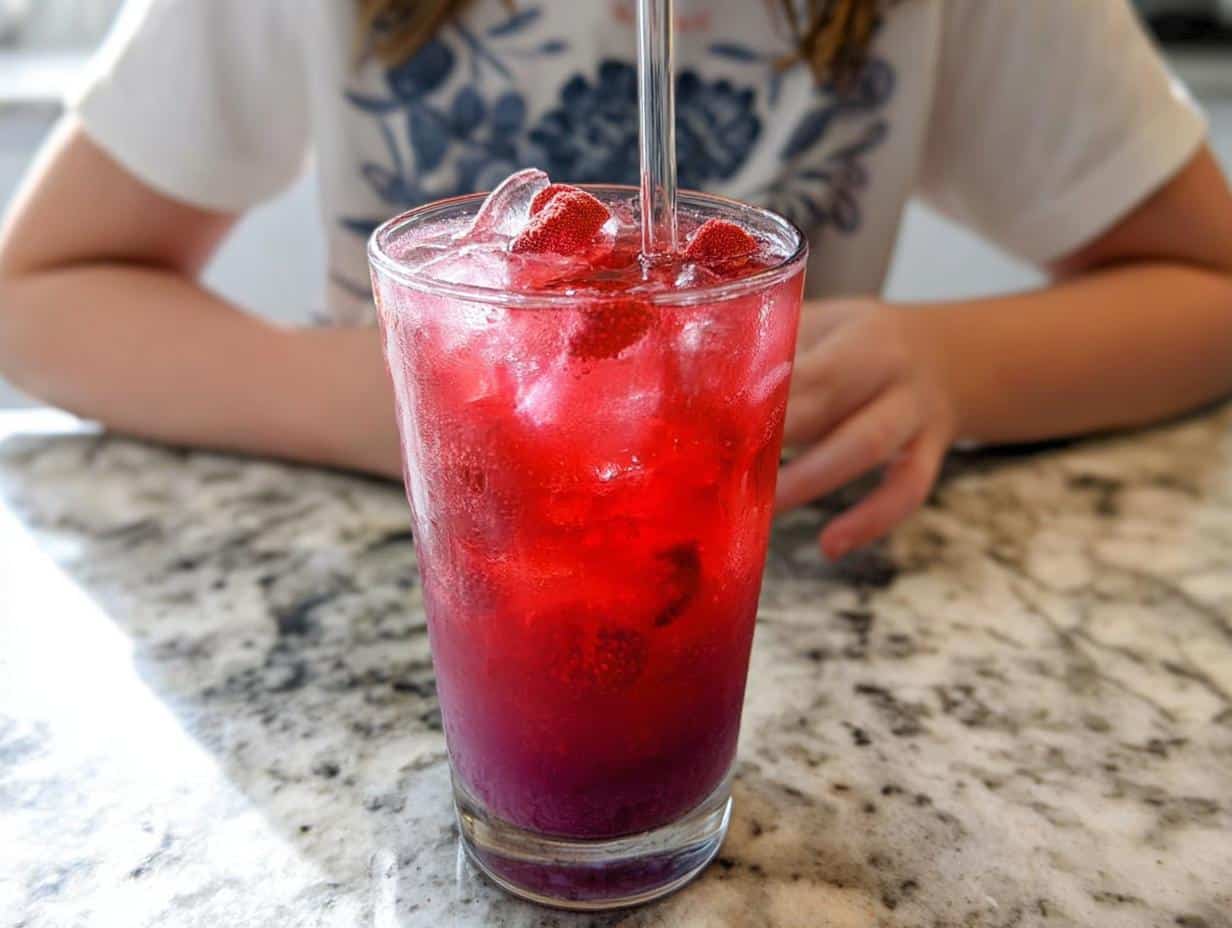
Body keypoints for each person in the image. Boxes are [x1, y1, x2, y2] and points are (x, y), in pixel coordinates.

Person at [2, 0, 1231, 560]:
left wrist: (950, 365)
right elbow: (36, 293)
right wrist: (395, 410)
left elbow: (1208, 288)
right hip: (411, 575)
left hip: (758, 578)